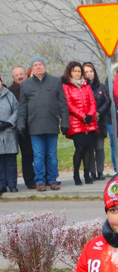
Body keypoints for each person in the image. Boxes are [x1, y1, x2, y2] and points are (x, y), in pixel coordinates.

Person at [16, 56, 67, 191]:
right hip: (35, 126)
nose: (38, 67)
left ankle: (52, 180)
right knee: (38, 155)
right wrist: (20, 125)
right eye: (35, 65)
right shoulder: (26, 85)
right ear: (32, 68)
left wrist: (65, 122)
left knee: (51, 154)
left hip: (51, 124)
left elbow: (63, 104)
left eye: (40, 64)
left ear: (44, 66)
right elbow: (22, 107)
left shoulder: (55, 82)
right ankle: (39, 181)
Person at [61, 61, 99, 186]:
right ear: (70, 72)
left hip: (90, 122)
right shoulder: (66, 86)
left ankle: (87, 174)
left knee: (88, 149)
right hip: (76, 122)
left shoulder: (86, 85)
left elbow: (92, 102)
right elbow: (69, 104)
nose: (77, 74)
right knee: (80, 148)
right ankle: (76, 174)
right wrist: (82, 116)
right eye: (75, 71)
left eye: (79, 71)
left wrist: (90, 114)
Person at [83, 62, 117, 180]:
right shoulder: (82, 87)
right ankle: (91, 171)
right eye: (86, 72)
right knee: (89, 148)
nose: (89, 74)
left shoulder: (102, 87)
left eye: (91, 71)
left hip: (100, 121)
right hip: (86, 122)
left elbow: (108, 101)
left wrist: (99, 112)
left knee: (99, 148)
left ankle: (100, 171)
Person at [10, 65, 34, 190]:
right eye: (16, 75)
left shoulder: (31, 87)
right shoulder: (10, 92)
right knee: (27, 155)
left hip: (34, 125)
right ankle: (29, 180)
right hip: (20, 127)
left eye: (21, 74)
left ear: (25, 74)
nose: (20, 76)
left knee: (38, 154)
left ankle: (41, 178)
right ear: (13, 77)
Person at [0, 74, 18, 196]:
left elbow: (17, 110)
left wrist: (8, 123)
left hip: (9, 132)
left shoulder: (9, 95)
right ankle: (1, 185)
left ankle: (12, 184)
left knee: (11, 161)